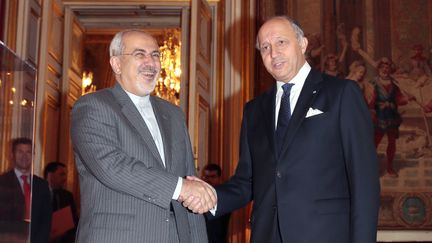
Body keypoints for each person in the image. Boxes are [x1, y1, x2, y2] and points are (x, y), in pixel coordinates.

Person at [189, 16, 380, 243]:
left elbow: (364, 181)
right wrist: (210, 196)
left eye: (281, 42)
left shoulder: (341, 93)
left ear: (302, 44)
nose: (273, 53)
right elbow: (247, 182)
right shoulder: (254, 110)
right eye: (265, 47)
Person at [70, 29, 216, 243]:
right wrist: (181, 188)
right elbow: (111, 166)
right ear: (116, 64)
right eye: (140, 54)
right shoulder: (93, 106)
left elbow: (188, 177)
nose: (151, 62)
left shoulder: (173, 114)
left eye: (155, 55)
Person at [0, 137, 52, 243]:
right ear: (12, 155)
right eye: (20, 152)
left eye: (28, 152)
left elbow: (46, 220)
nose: (24, 156)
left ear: (33, 156)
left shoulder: (42, 185)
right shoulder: (2, 182)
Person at [367, 58, 413, 177]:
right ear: (379, 69)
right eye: (382, 67)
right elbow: (369, 101)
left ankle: (389, 167)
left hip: (392, 116)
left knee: (392, 142)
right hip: (378, 116)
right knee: (374, 142)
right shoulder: (373, 83)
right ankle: (370, 167)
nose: (385, 70)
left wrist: (408, 99)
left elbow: (398, 99)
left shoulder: (395, 84)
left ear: (390, 69)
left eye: (387, 68)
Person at [44, 161, 78, 243]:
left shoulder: (67, 196)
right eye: (62, 174)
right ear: (50, 176)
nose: (65, 178)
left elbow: (75, 221)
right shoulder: (36, 194)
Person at [201, 164, 231, 243]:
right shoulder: (199, 195)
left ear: (219, 178)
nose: (209, 180)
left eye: (213, 177)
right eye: (206, 177)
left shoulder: (225, 196)